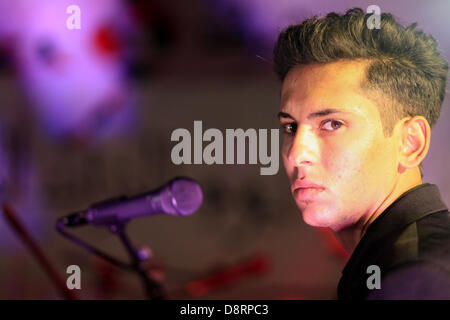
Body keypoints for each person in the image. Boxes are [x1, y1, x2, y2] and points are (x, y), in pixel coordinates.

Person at [273, 8, 450, 299]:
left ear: (410, 143)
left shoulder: (420, 278)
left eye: (332, 124)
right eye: (291, 127)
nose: (296, 153)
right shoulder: (396, 264)